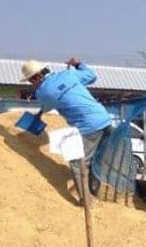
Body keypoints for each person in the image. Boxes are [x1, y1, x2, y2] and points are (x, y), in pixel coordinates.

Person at [21, 58, 113, 205]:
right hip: (105, 119)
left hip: (89, 127)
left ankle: (86, 201)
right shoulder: (69, 75)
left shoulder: (42, 92)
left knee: (77, 162)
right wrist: (78, 64)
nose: (32, 84)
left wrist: (38, 115)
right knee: (95, 160)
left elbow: (48, 104)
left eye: (31, 81)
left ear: (37, 76)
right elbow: (91, 76)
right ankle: (96, 191)